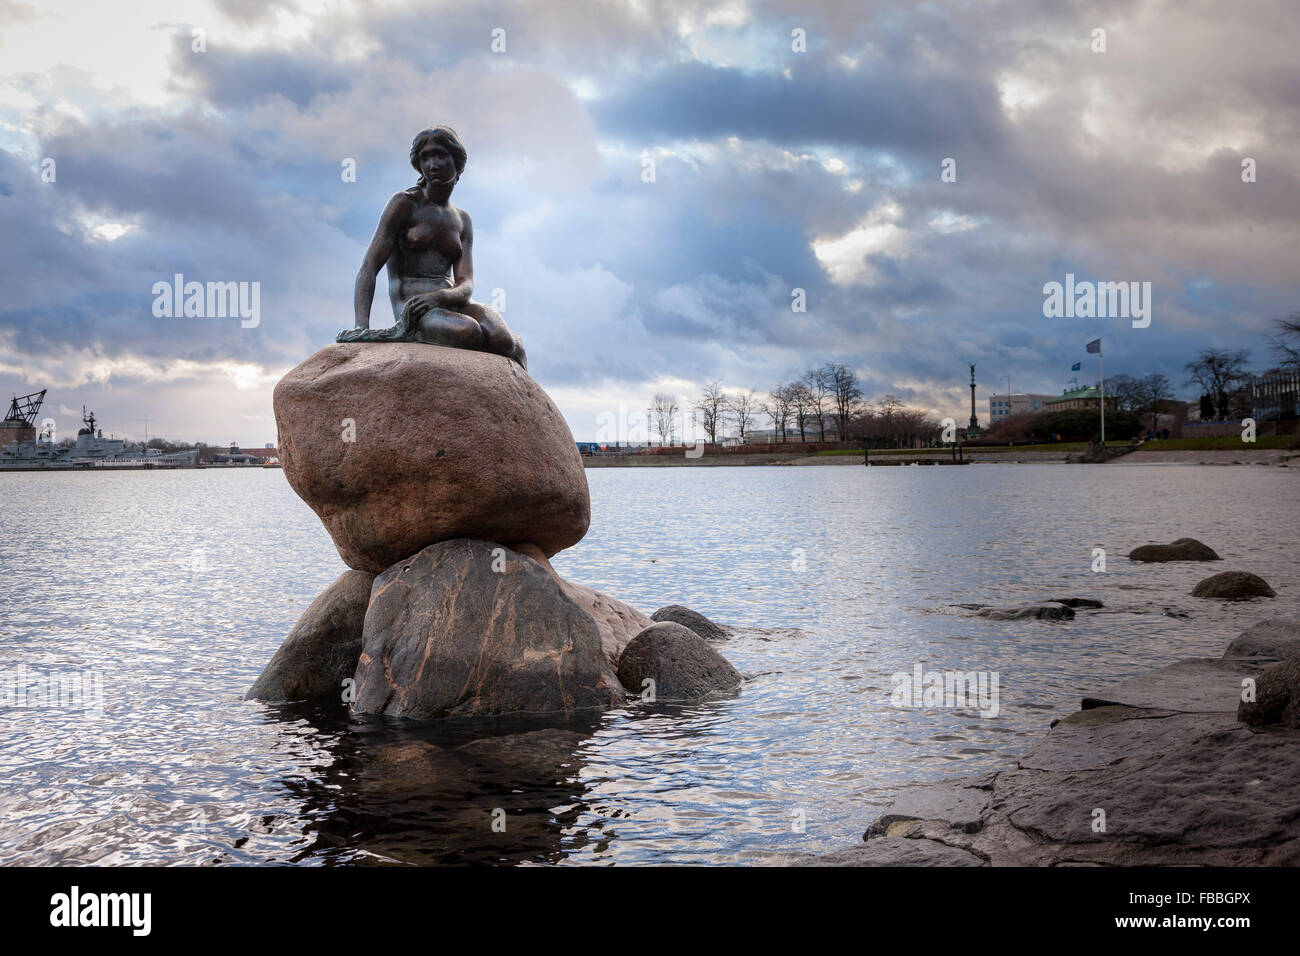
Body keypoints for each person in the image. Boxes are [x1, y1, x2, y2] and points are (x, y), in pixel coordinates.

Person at [338, 126, 526, 367]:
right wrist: (361, 326)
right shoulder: (404, 204)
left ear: (457, 161)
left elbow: (466, 283)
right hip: (415, 308)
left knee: (508, 343)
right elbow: (369, 266)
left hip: (450, 301)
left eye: (440, 155)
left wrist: (439, 296)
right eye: (425, 157)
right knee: (468, 332)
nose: (432, 164)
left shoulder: (462, 219)